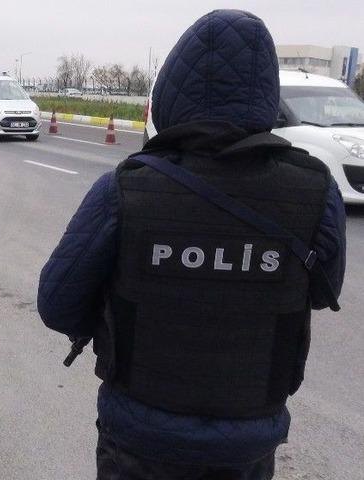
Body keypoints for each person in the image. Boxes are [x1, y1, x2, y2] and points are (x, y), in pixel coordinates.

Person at [37, 10, 346, 479]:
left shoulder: (125, 187)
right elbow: (324, 292)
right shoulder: (315, 190)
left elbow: (57, 304)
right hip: (247, 444)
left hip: (139, 441)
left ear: (171, 91)